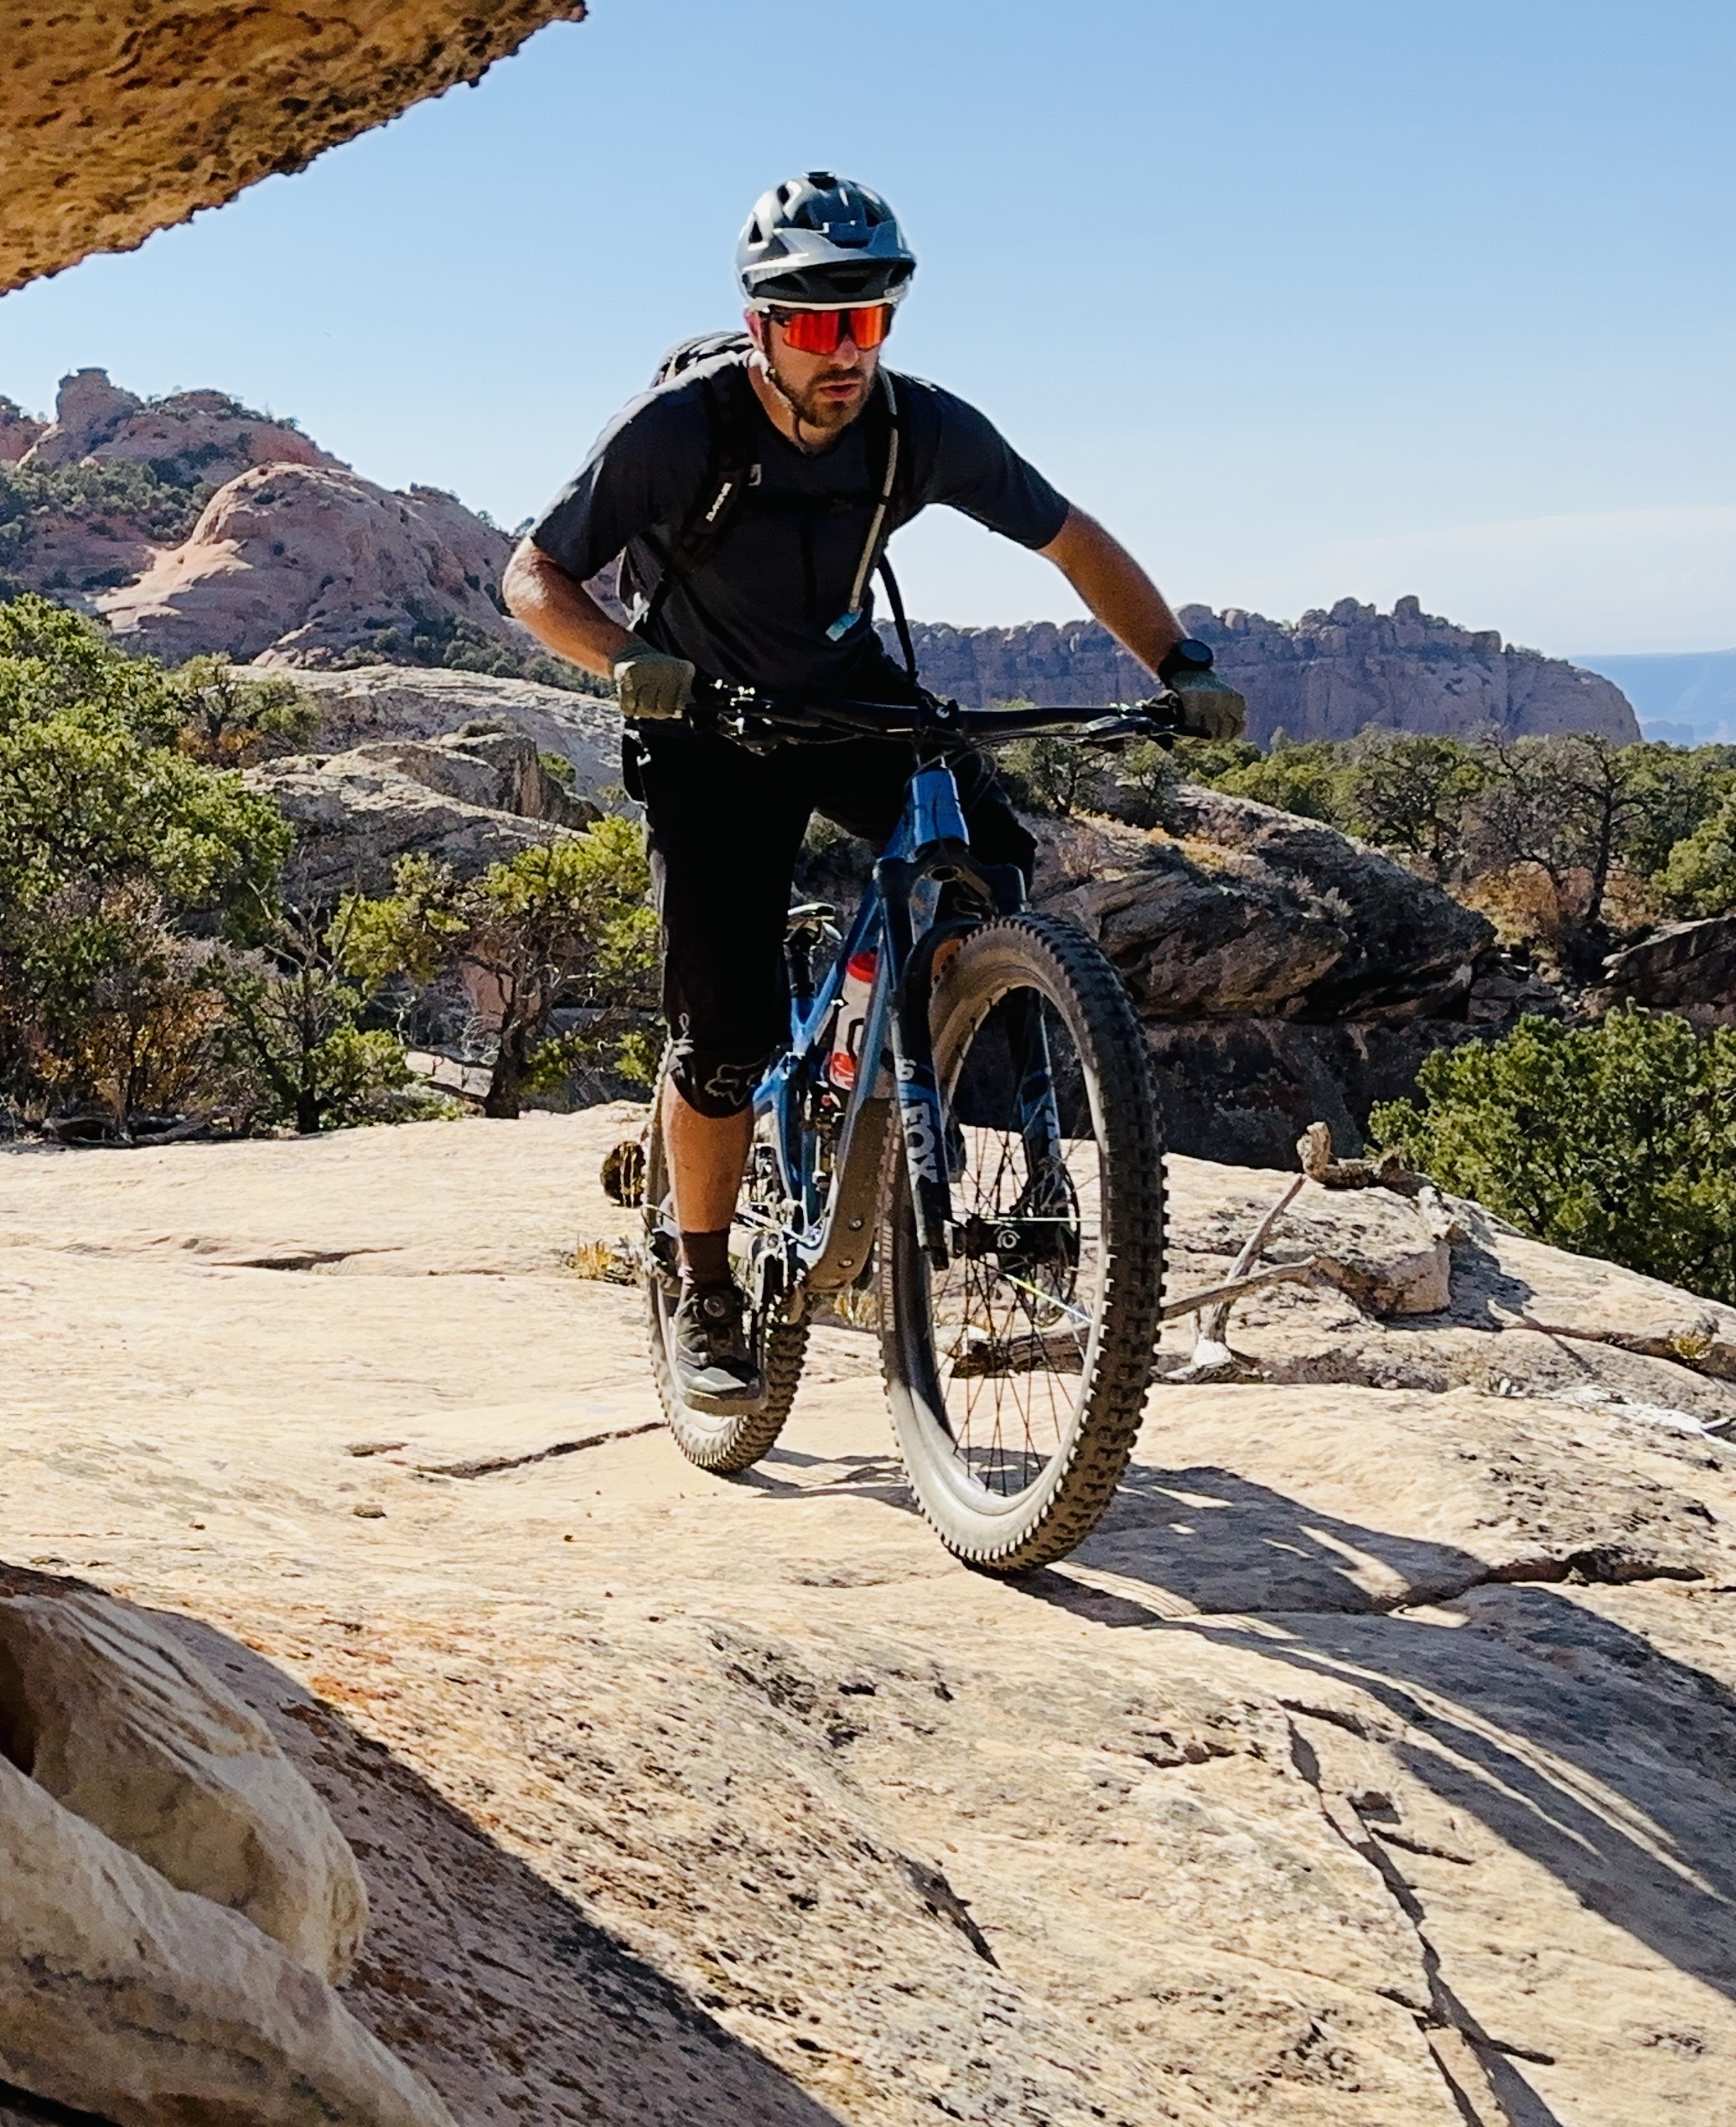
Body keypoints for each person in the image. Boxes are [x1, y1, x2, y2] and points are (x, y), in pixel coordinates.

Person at [504, 171, 1246, 1399]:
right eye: (812, 321)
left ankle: (957, 1071)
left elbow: (1070, 539)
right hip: (711, 722)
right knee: (724, 1042)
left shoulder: (920, 428)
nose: (843, 349)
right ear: (760, 326)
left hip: (847, 697)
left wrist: (1179, 660)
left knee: (988, 849)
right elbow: (534, 576)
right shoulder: (681, 431)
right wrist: (629, 659)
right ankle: (705, 1286)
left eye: (867, 318)